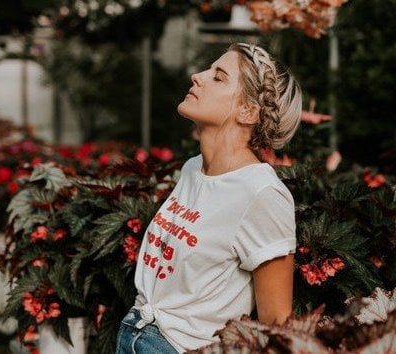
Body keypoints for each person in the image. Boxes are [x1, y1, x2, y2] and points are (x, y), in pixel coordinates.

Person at [116, 42, 303, 354]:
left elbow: (277, 326)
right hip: (133, 333)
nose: (196, 76)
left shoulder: (262, 193)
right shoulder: (193, 169)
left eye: (218, 77)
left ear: (248, 111)